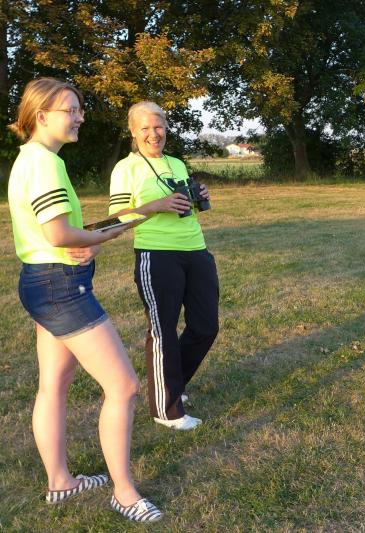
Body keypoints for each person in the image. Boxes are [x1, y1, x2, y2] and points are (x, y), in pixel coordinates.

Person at [8, 78, 162, 522]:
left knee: (53, 384)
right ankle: (124, 493)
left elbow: (57, 232)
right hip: (60, 286)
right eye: (70, 110)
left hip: (41, 280)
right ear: (41, 115)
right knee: (124, 386)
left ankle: (61, 482)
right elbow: (59, 234)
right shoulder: (45, 164)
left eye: (79, 109)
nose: (79, 117)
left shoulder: (31, 158)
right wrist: (101, 237)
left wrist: (95, 235)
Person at [108, 101, 218, 431]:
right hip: (156, 253)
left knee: (206, 326)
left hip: (195, 249)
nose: (153, 134)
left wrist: (198, 195)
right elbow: (117, 218)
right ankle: (166, 410)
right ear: (133, 131)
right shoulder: (126, 168)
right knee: (163, 330)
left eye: (158, 127)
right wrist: (157, 205)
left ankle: (171, 383)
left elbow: (183, 205)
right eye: (145, 128)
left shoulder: (176, 163)